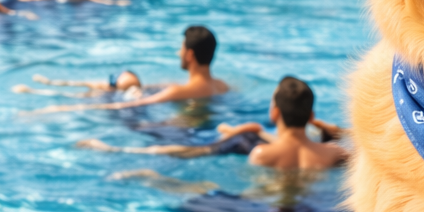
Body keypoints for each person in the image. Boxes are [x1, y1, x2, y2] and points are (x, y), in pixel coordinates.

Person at [78, 77, 349, 170]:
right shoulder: (336, 154)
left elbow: (191, 152)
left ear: (274, 113)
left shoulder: (261, 155)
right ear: (311, 115)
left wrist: (114, 150)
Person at [32, 26, 227, 113]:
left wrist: (68, 109)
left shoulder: (178, 91)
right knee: (129, 84)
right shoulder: (222, 87)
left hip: (153, 126)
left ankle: (55, 90)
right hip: (187, 124)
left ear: (190, 55)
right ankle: (53, 85)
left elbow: (130, 106)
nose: (178, 53)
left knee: (126, 82)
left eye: (181, 49)